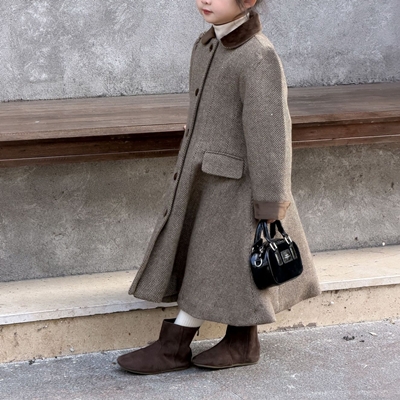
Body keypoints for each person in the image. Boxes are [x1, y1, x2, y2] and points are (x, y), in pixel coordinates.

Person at [117, 0, 320, 374]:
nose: (205, 0)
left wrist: (270, 202)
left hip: (239, 184)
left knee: (211, 263)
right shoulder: (206, 44)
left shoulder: (257, 56)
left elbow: (272, 135)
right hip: (206, 177)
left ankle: (175, 345)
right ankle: (242, 341)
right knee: (224, 265)